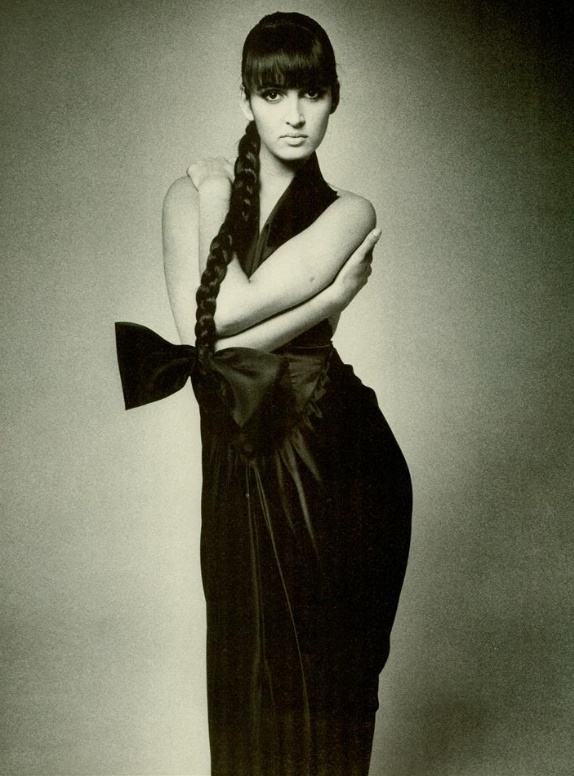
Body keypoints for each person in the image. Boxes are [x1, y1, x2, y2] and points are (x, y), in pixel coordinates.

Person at [115, 12, 411, 776]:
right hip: (240, 453)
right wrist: (328, 301)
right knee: (245, 664)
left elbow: (230, 310)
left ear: (335, 97)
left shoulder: (351, 210)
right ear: (244, 98)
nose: (294, 114)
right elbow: (207, 336)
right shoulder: (185, 197)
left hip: (334, 455)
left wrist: (219, 190)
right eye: (273, 94)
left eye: (311, 92)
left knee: (331, 670)